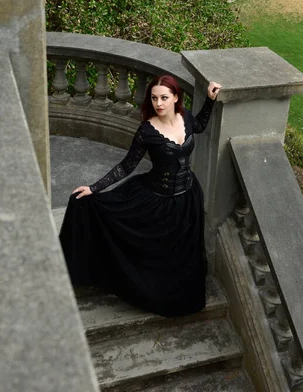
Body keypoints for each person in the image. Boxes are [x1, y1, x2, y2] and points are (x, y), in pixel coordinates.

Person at [59, 75, 221, 317]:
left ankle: (180, 292)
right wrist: (94, 188)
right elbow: (127, 166)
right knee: (153, 249)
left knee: (181, 252)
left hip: (188, 197)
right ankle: (153, 292)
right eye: (154, 98)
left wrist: (209, 101)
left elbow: (198, 126)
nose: (159, 103)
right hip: (157, 199)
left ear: (175, 98)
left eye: (164, 98)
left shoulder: (185, 116)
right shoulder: (147, 130)